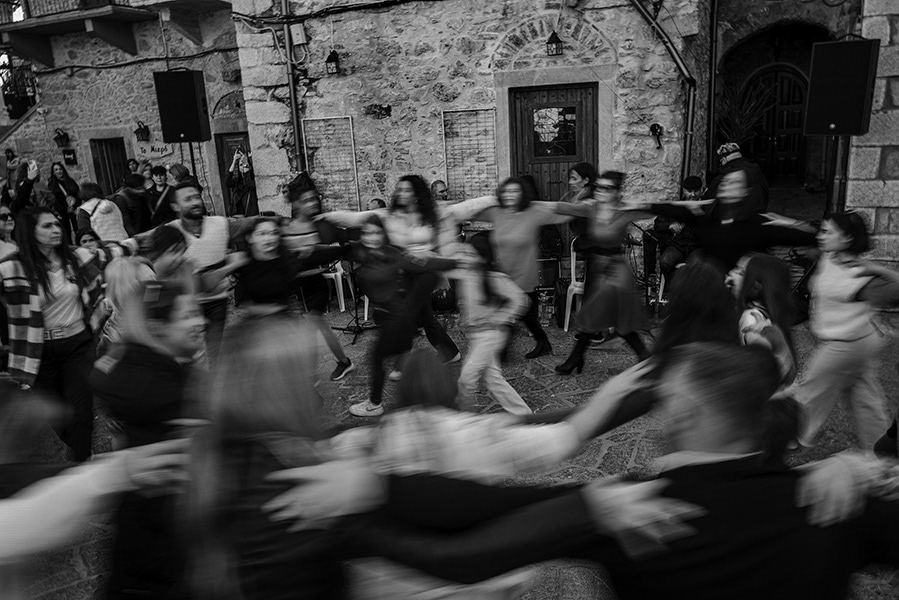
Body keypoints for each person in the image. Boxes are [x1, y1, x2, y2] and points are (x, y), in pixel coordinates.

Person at [91, 279, 204, 599]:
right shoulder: (173, 392)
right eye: (187, 316)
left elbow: (100, 372)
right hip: (165, 542)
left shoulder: (131, 365)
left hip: (141, 539)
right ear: (158, 328)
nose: (200, 322)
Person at [0, 206, 128, 460]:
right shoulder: (12, 268)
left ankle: (81, 461)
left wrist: (163, 235)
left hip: (78, 345)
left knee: (81, 412)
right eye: (47, 226)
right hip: (39, 352)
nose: (56, 229)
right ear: (30, 231)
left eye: (57, 224)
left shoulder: (76, 257)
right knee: (58, 416)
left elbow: (116, 250)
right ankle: (78, 455)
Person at [795, 212, 899, 451]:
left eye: (828, 232)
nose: (821, 236)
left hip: (847, 345)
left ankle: (787, 438)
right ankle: (881, 449)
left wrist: (878, 269)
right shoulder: (829, 255)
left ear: (847, 239)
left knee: (809, 392)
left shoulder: (860, 275)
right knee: (864, 399)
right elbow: (809, 238)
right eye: (822, 230)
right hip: (857, 340)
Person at [346, 215, 462, 416]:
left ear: (383, 234)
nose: (372, 237)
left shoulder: (389, 257)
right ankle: (437, 400)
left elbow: (425, 266)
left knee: (377, 359)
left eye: (377, 232)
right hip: (400, 317)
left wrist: (455, 262)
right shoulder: (376, 255)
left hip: (396, 318)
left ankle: (374, 404)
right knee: (404, 360)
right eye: (367, 233)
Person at [551, 171, 651, 373]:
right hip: (597, 268)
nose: (601, 191)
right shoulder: (592, 208)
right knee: (609, 315)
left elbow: (658, 209)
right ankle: (643, 356)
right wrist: (530, 205)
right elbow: (562, 208)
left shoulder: (624, 210)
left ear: (616, 191)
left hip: (615, 272)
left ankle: (576, 357)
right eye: (599, 187)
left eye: (607, 188)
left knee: (600, 313)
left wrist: (694, 206)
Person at [464, 177, 574, 359]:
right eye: (506, 191)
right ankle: (532, 345)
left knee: (523, 313)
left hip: (524, 273)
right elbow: (468, 213)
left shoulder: (533, 212)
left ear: (522, 194)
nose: (510, 195)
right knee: (514, 312)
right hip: (503, 273)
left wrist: (584, 207)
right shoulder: (496, 212)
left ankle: (508, 349)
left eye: (515, 191)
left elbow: (562, 214)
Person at [148, 180, 254, 364]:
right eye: (188, 199)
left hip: (216, 303)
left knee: (212, 353)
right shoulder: (169, 233)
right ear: (175, 206)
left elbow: (246, 224)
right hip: (181, 307)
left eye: (197, 197)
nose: (195, 202)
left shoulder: (220, 223)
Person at [637, 168, 815, 271]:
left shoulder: (755, 222)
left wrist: (801, 227)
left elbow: (796, 235)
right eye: (725, 182)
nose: (726, 184)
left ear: (745, 192)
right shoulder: (709, 216)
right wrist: (641, 206)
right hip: (715, 292)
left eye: (734, 182)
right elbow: (672, 210)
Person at [280, 182, 357, 380]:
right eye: (306, 200)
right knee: (320, 326)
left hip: (316, 285)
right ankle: (344, 362)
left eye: (313, 199)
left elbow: (328, 248)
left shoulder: (319, 225)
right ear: (296, 204)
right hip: (299, 288)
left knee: (309, 329)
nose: (312, 203)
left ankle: (309, 374)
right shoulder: (286, 227)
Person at [455, 235, 531, 415]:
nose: (467, 258)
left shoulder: (493, 277)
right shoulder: (467, 275)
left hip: (491, 334)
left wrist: (499, 317)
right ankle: (525, 415)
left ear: (483, 257)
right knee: (493, 380)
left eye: (472, 255)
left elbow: (521, 300)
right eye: (465, 253)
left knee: (466, 378)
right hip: (477, 335)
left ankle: (464, 418)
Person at [232, 216, 346, 316]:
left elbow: (322, 259)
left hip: (282, 321)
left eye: (274, 233)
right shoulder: (243, 262)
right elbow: (243, 298)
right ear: (249, 238)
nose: (269, 238)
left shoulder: (287, 260)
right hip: (258, 324)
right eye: (262, 234)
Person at [726, 252, 797, 386]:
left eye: (740, 272)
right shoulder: (761, 311)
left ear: (755, 286)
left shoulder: (752, 320)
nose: (731, 274)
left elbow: (781, 373)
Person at [642, 175, 702, 283]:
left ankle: (689, 290)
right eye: (689, 191)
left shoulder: (705, 208)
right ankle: (672, 287)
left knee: (696, 266)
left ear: (702, 190)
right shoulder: (676, 207)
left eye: (696, 191)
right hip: (677, 246)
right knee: (665, 262)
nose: (693, 194)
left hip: (696, 247)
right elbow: (658, 224)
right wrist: (669, 226)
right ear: (684, 191)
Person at [705, 142, 769, 213]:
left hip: (735, 216)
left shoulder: (724, 175)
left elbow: (708, 202)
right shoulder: (757, 172)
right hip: (758, 214)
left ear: (723, 159)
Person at [47, 162, 80, 242]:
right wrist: (65, 210)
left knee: (78, 231)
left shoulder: (70, 181)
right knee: (67, 234)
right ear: (53, 172)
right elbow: (54, 200)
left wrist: (74, 206)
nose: (59, 171)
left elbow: (78, 194)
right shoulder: (52, 185)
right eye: (56, 170)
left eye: (60, 169)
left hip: (74, 211)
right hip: (63, 214)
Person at [226, 149, 258, 217]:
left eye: (244, 164)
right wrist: (234, 161)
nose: (242, 167)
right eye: (241, 165)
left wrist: (246, 165)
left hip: (250, 215)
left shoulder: (253, 179)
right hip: (236, 215)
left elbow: (249, 184)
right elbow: (227, 181)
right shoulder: (237, 181)